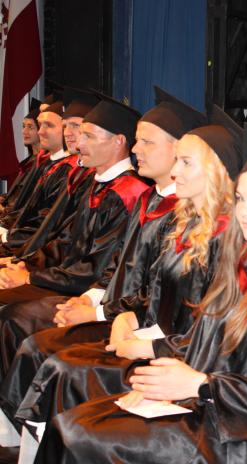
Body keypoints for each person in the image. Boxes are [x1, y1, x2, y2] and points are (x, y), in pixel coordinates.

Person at [32, 123, 247, 464]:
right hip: (218, 409)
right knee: (76, 424)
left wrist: (198, 386)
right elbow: (212, 343)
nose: (245, 211)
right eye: (240, 198)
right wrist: (167, 390)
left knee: (79, 436)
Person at [0, 89, 210, 429]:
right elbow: (115, 267)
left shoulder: (185, 220)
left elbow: (160, 300)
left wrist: (97, 311)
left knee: (41, 347)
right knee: (32, 339)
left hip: (143, 331)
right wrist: (88, 299)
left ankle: (28, 436)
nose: (136, 150)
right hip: (114, 310)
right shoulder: (149, 201)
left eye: (147, 142)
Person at [0, 96, 149, 378]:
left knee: (12, 316)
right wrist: (24, 265)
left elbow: (94, 269)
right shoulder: (97, 184)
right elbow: (66, 242)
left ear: (118, 141)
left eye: (87, 136)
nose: (78, 143)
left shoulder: (130, 193)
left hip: (86, 291)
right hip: (67, 281)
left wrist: (31, 277)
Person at [0, 88, 100, 256]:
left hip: (48, 258)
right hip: (36, 252)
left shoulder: (77, 172)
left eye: (75, 126)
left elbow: (53, 227)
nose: (40, 131)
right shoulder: (66, 169)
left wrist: (27, 261)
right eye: (65, 126)